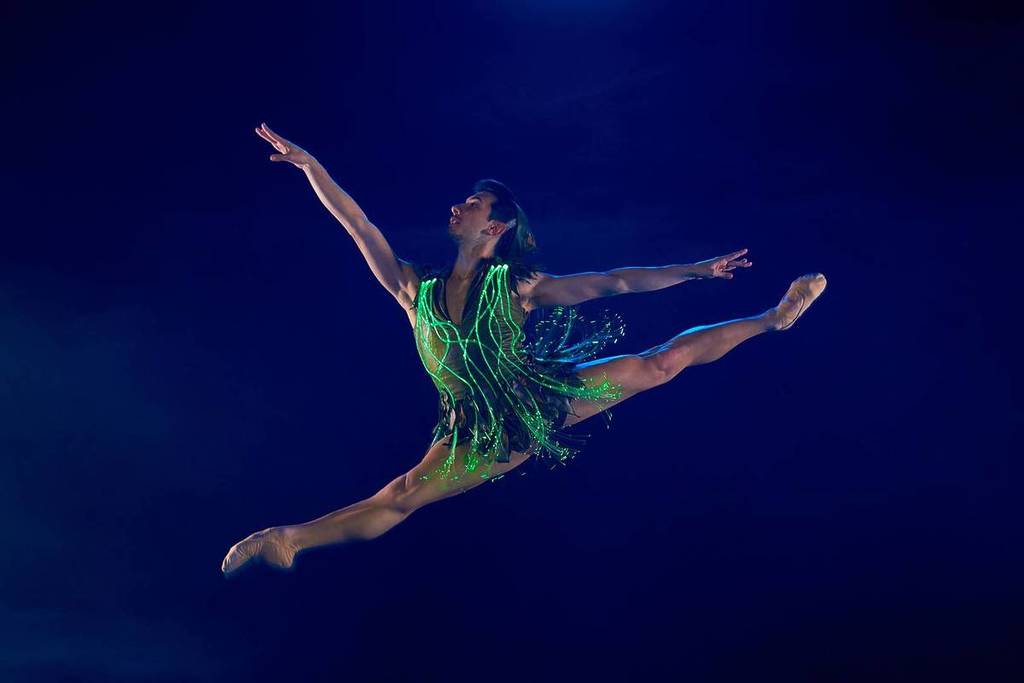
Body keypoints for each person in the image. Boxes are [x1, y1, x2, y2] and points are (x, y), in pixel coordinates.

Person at [221, 123, 827, 576]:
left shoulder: (517, 287)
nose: (457, 206)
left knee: (659, 363)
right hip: (476, 430)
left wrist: (695, 270)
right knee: (401, 497)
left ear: (494, 227)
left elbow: (615, 281)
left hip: (537, 397)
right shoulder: (413, 289)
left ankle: (772, 319)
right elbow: (359, 225)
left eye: (472, 204)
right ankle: (289, 539)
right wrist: (311, 166)